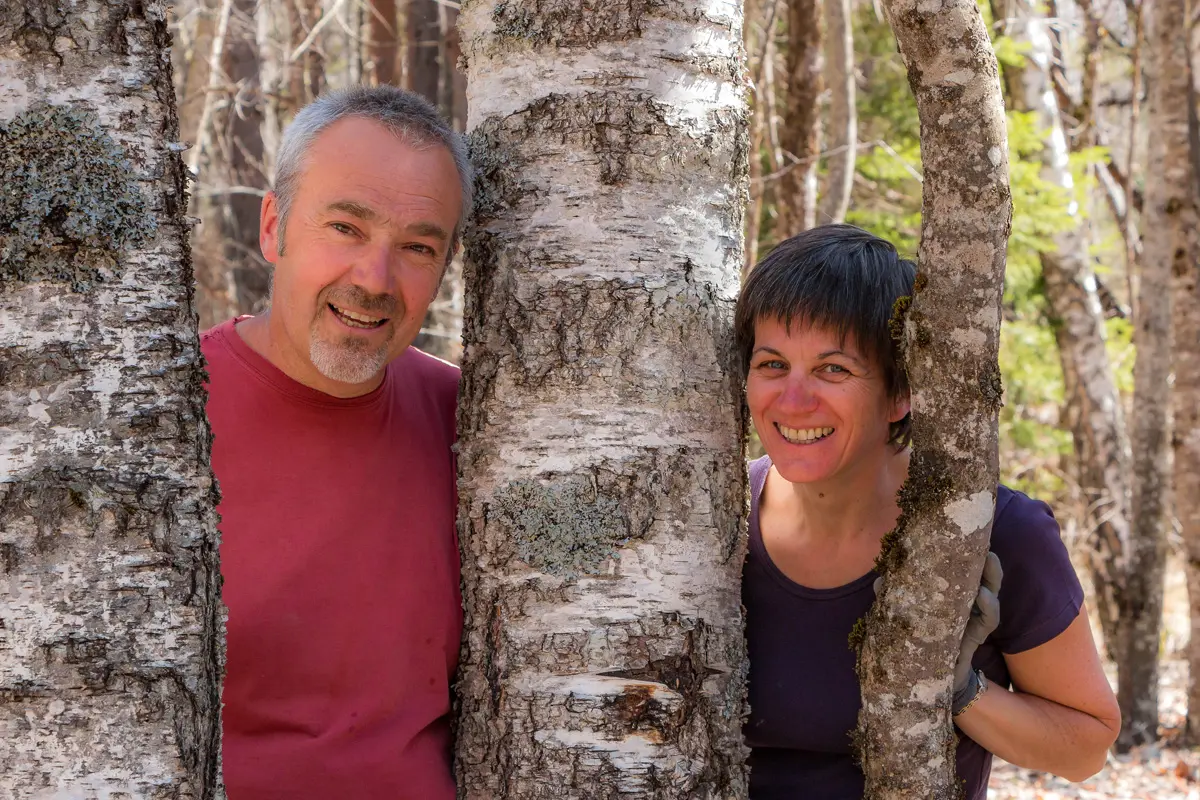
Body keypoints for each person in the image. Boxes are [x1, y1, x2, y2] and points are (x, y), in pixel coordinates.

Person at [735, 224, 1121, 799]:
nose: (792, 401)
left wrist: (958, 688)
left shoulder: (993, 531)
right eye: (772, 364)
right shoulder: (715, 518)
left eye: (833, 369)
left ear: (901, 392)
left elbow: (1086, 746)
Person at [201, 86, 472, 799]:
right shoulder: (161, 417)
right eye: (346, 228)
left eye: (417, 247)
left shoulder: (476, 430)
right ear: (274, 228)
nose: (374, 279)